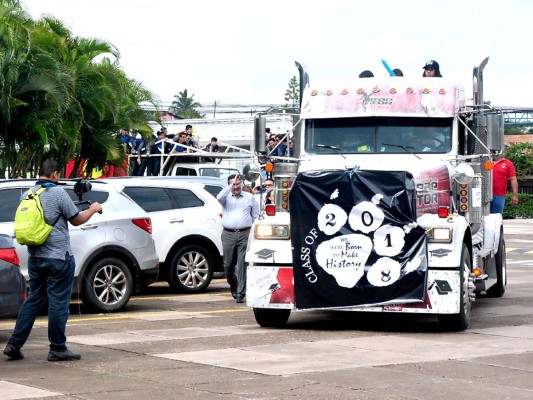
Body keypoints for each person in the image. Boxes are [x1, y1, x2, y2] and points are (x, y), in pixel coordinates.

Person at [3, 159, 102, 362]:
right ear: (55, 174)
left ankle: (14, 344)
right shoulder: (57, 193)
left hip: (35, 257)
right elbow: (76, 219)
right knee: (58, 302)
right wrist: (93, 209)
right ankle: (57, 348)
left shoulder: (28, 193)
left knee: (33, 300)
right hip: (58, 257)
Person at [217, 173, 259, 303]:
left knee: (242, 263)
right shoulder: (226, 197)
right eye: (233, 184)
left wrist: (250, 230)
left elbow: (255, 215)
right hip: (228, 234)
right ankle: (234, 285)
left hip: (244, 233)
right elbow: (219, 197)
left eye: (238, 183)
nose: (236, 186)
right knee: (228, 265)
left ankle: (241, 292)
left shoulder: (249, 197)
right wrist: (230, 186)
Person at [491, 148, 519, 214]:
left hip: (499, 195)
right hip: (483, 195)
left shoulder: (508, 163)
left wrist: (515, 195)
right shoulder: (486, 161)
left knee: (496, 218)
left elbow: (513, 179)